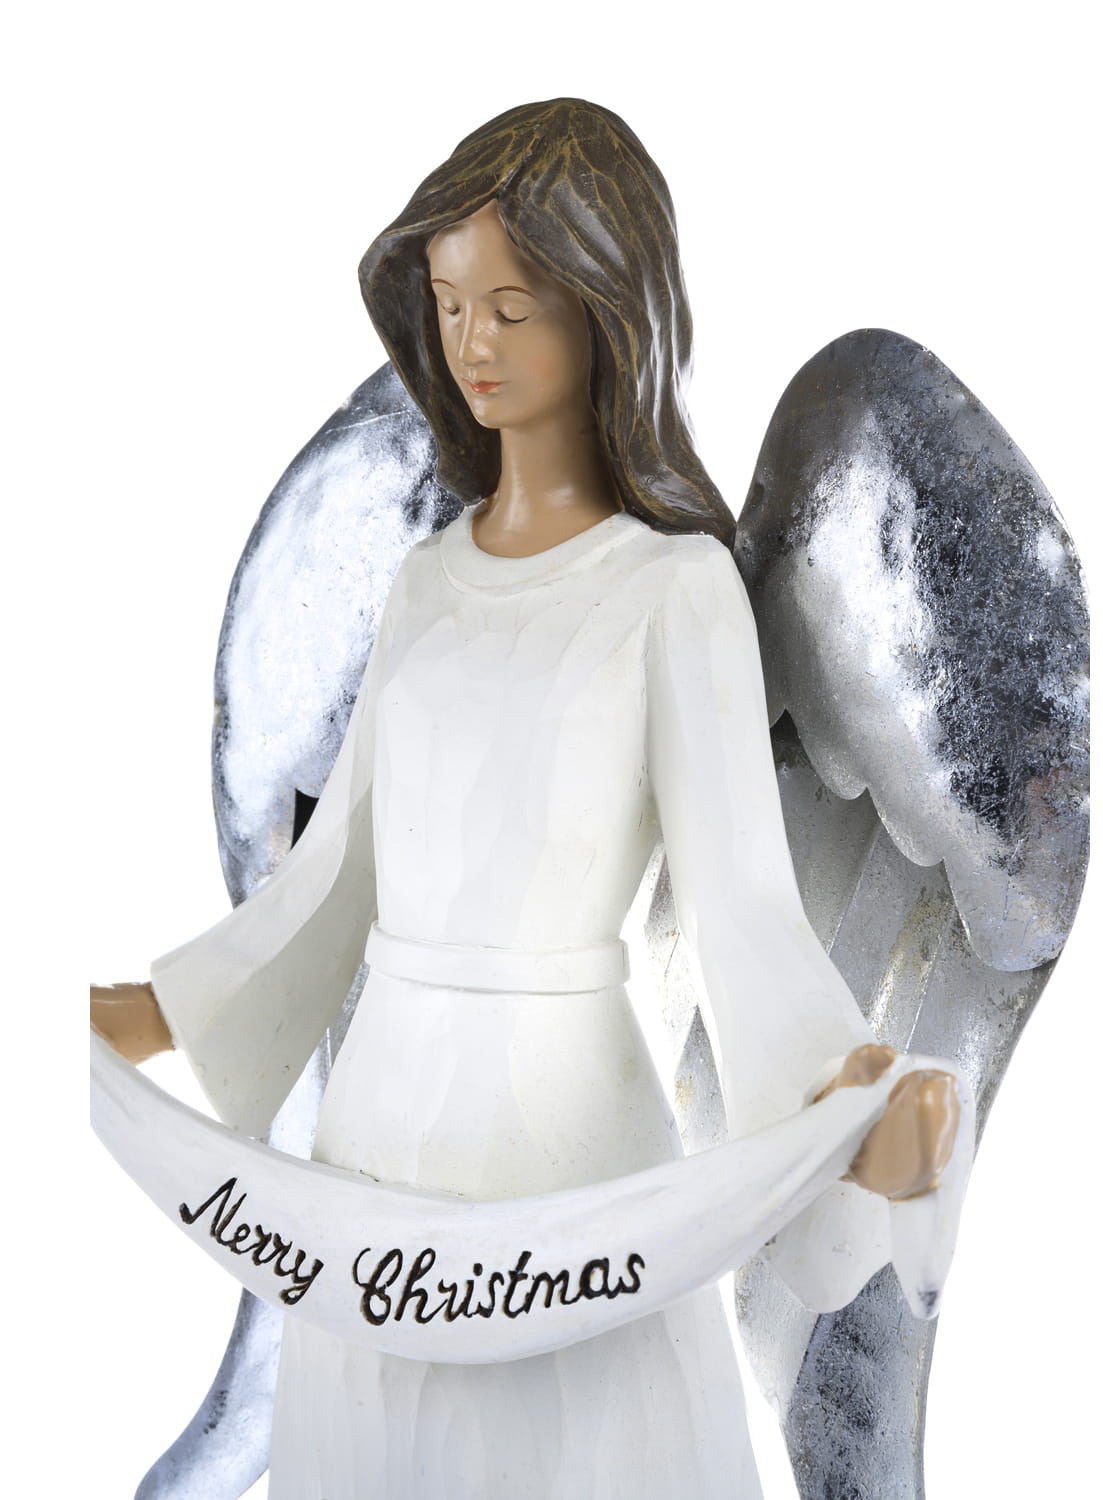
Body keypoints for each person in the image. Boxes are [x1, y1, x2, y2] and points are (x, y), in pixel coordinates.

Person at [93, 98, 956, 1500]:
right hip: (379, 1144)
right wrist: (150, 1014)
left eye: (512, 306)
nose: (472, 343)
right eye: (448, 306)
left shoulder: (672, 590)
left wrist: (843, 1101)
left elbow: (741, 902)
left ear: (609, 311)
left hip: (566, 1147)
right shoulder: (425, 583)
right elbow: (334, 877)